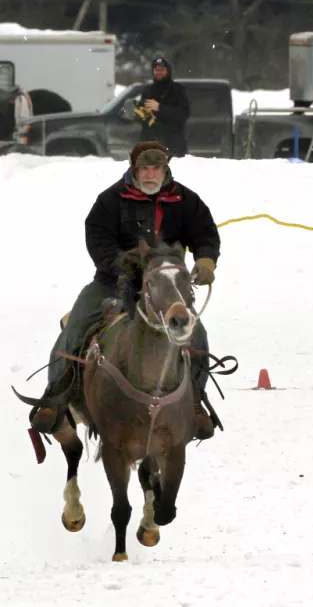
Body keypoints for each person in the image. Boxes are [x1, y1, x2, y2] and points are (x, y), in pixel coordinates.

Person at [29, 141, 221, 440]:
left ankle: (195, 403)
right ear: (134, 169)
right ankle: (55, 398)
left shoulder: (185, 200)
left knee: (198, 335)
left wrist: (206, 260)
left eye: (155, 167)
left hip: (166, 290)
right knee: (76, 326)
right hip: (113, 283)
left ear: (165, 168)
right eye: (143, 168)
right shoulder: (110, 200)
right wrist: (125, 267)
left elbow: (205, 233)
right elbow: (98, 240)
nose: (149, 174)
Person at [136, 56, 190, 157]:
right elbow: (140, 113)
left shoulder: (177, 90)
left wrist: (160, 108)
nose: (159, 72)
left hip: (173, 147)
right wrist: (142, 115)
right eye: (156, 70)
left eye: (162, 69)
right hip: (150, 145)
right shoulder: (148, 91)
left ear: (168, 71)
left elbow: (184, 114)